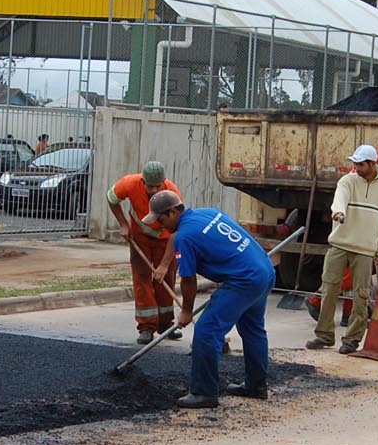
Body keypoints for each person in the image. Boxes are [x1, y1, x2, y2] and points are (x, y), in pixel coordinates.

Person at [144, 190, 274, 409]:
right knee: (253, 329)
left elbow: (188, 280)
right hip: (264, 270)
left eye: (161, 220)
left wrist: (186, 311)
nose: (160, 225)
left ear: (173, 212)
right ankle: (256, 386)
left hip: (244, 280)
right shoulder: (208, 213)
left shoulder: (184, 237)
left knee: (207, 331)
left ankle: (204, 393)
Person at [307, 144, 378, 354]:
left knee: (361, 295)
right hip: (339, 245)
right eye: (355, 163)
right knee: (329, 289)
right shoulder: (347, 181)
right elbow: (340, 198)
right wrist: (338, 212)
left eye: (361, 164)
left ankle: (352, 340)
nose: (356, 167)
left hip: (365, 250)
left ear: (372, 164)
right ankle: (324, 335)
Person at [105, 160, 182, 344]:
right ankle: (146, 327)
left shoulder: (172, 193)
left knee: (166, 279)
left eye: (158, 186)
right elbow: (111, 198)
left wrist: (164, 264)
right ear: (143, 181)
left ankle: (166, 324)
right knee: (142, 279)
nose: (154, 190)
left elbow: (177, 230)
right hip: (140, 239)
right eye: (150, 186)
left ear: (164, 182)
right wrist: (123, 224)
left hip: (166, 241)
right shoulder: (130, 183)